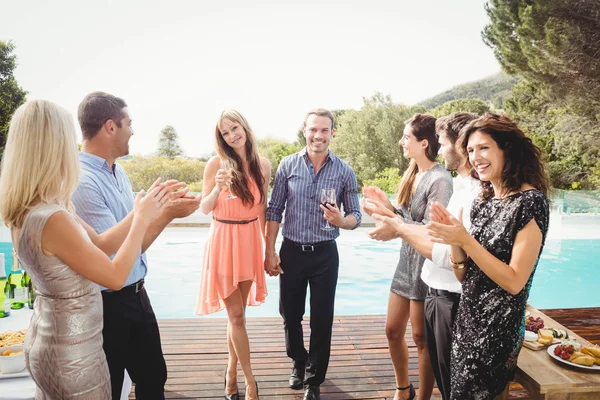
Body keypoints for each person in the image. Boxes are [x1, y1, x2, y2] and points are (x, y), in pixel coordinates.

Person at [0, 99, 170, 398]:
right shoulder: (53, 218)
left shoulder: (32, 207)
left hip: (51, 336)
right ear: (54, 146)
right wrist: (143, 217)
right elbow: (115, 276)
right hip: (73, 352)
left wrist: (146, 208)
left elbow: (102, 244)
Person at [72, 92, 202, 399]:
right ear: (110, 127)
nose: (133, 130)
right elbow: (109, 255)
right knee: (111, 387)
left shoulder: (119, 172)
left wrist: (166, 212)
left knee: (153, 378)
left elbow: (134, 247)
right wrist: (164, 212)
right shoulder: (82, 181)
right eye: (129, 123)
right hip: (107, 307)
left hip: (136, 297)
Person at [426, 113, 550, 399]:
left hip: (498, 333)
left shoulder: (530, 203)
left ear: (507, 148)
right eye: (470, 150)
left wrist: (465, 240)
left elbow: (515, 281)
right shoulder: (483, 202)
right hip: (467, 323)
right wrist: (454, 239)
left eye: (483, 147)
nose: (476, 157)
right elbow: (463, 275)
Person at [366, 112, 479, 400]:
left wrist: (394, 223)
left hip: (425, 261)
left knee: (420, 338)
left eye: (407, 137)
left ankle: (422, 396)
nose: (402, 141)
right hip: (407, 258)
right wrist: (388, 208)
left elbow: (432, 230)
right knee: (393, 330)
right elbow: (408, 218)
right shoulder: (413, 174)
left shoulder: (441, 180)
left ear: (424, 143)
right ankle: (404, 388)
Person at [264, 109, 361, 400]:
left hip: (324, 255)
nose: (318, 135)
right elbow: (274, 209)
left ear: (333, 133)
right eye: (313, 129)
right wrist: (269, 250)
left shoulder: (344, 171)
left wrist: (341, 221)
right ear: (304, 131)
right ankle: (298, 361)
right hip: (291, 251)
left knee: (322, 318)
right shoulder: (287, 165)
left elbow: (356, 213)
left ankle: (314, 380)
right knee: (289, 314)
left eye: (324, 130)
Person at [196, 110, 271, 400]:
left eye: (234, 128)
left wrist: (267, 249)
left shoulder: (263, 164)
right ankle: (250, 381)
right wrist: (217, 187)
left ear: (244, 127)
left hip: (250, 240)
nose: (232, 136)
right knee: (236, 314)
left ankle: (230, 371)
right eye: (225, 133)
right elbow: (204, 208)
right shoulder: (216, 163)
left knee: (237, 317)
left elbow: (262, 209)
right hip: (223, 240)